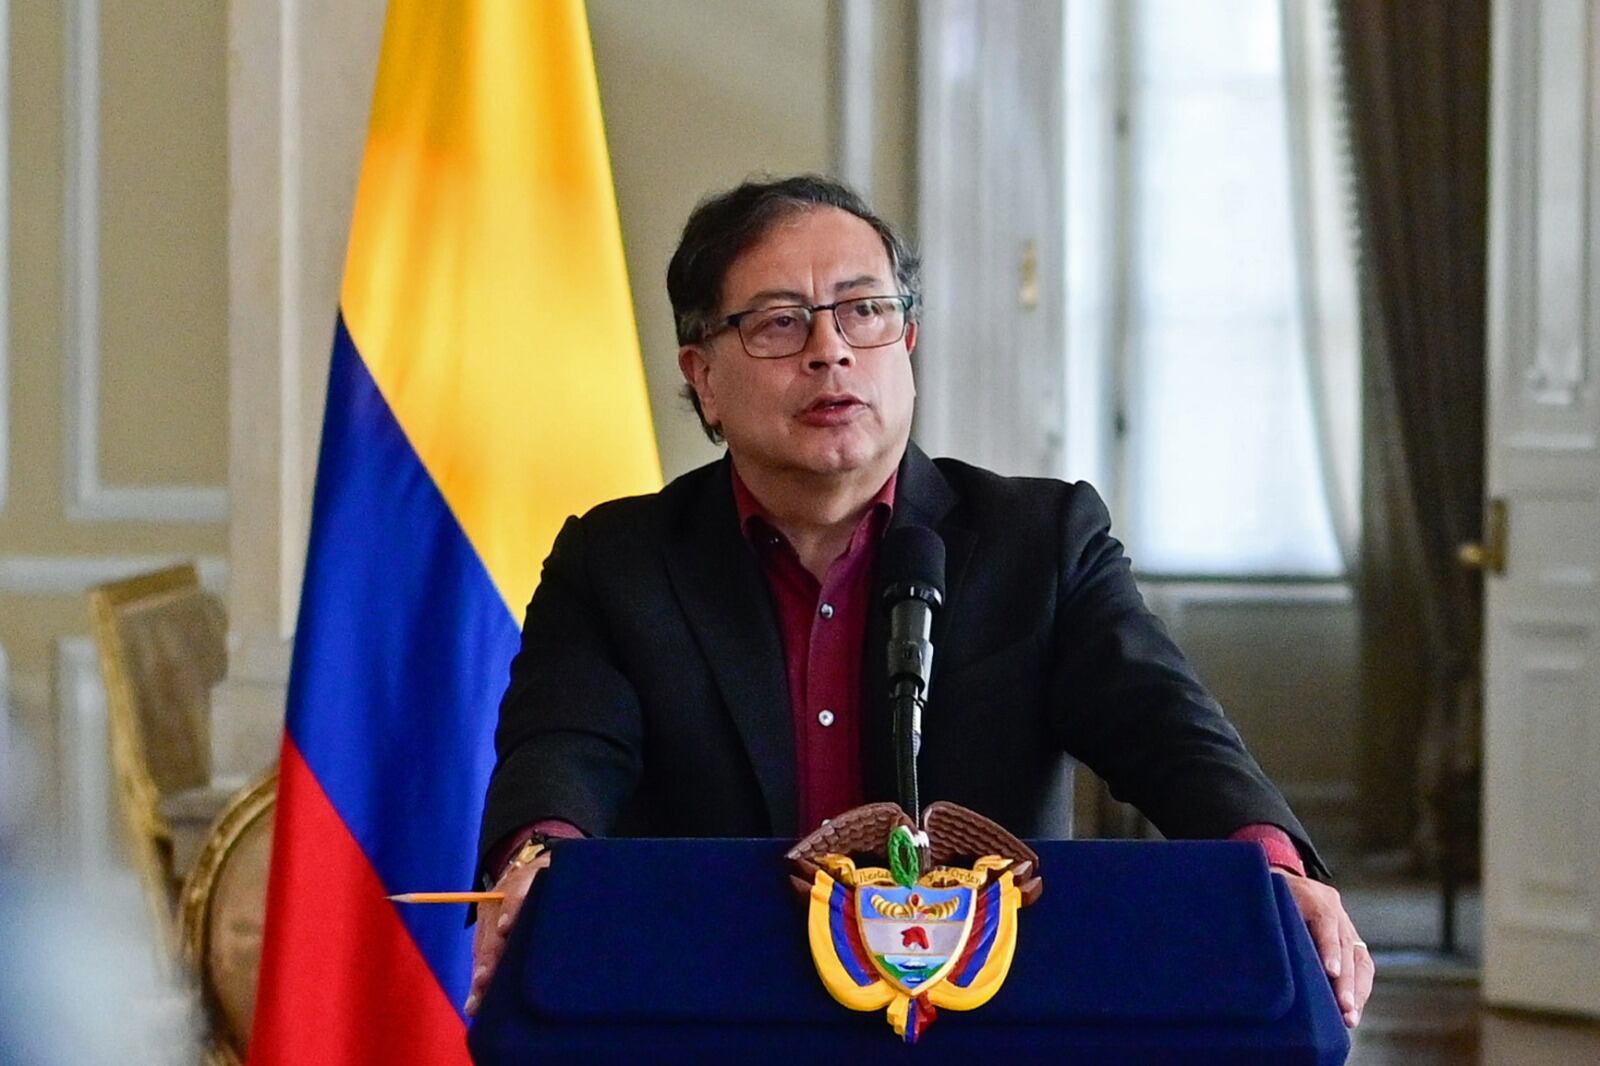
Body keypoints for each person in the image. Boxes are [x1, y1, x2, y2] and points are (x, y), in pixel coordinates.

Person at [465, 175, 1374, 1027]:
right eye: (780, 323)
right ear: (703, 376)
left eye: (864, 311)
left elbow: (1166, 729)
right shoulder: (616, 561)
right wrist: (536, 861)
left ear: (906, 343)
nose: (830, 350)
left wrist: (1274, 863)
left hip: (987, 1011)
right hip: (713, 1003)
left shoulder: (1042, 540)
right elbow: (564, 748)